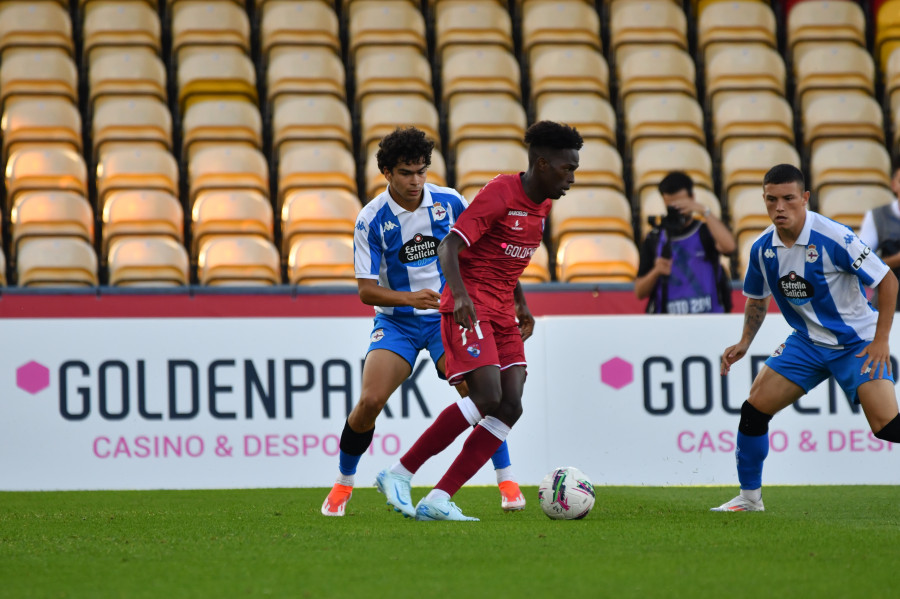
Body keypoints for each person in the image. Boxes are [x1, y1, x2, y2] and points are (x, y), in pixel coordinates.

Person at [375, 120, 584, 521]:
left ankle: (438, 498)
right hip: (469, 306)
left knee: (511, 406)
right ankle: (400, 471)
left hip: (504, 309)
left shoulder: (543, 204)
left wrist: (521, 303)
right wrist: (463, 296)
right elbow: (449, 246)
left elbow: (508, 258)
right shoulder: (501, 192)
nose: (571, 178)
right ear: (542, 164)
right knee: (487, 398)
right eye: (566, 168)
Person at [321, 127, 525, 517]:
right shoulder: (371, 219)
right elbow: (365, 290)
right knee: (369, 401)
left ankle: (507, 479)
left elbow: (486, 253)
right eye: (405, 173)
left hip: (446, 317)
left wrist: (511, 299)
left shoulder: (449, 202)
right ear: (386, 172)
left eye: (421, 171)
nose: (415, 181)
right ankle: (344, 483)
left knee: (480, 391)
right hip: (397, 322)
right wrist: (408, 298)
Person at [712, 163, 900, 512]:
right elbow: (757, 298)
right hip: (807, 343)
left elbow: (888, 280)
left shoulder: (834, 237)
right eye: (771, 200)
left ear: (805, 198)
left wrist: (881, 341)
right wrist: (744, 343)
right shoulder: (762, 249)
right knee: (754, 409)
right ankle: (750, 499)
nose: (779, 207)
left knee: (886, 426)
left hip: (857, 343)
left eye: (788, 199)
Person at [634, 171, 736, 314]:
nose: (677, 209)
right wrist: (656, 272)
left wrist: (704, 211)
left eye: (681, 204)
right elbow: (639, 292)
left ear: (692, 198)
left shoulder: (705, 231)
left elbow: (729, 247)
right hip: (669, 322)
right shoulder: (655, 238)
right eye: (671, 206)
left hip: (709, 319)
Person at [859, 164, 900, 310]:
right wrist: (895, 260)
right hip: (889, 304)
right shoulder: (877, 217)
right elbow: (862, 264)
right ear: (894, 185)